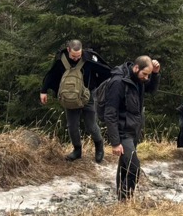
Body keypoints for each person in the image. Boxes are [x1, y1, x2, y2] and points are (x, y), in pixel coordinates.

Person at [102, 55, 161, 201]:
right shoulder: (118, 83)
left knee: (125, 165)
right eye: (145, 74)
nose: (146, 78)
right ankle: (126, 199)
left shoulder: (137, 79)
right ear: (136, 68)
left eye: (148, 75)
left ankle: (122, 199)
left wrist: (155, 74)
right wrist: (115, 142)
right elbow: (110, 114)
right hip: (123, 132)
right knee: (134, 167)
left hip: (133, 129)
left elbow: (151, 89)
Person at [40, 38, 110, 162]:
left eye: (79, 55)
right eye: (73, 56)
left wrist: (97, 86)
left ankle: (99, 148)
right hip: (70, 97)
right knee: (72, 126)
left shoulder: (89, 58)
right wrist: (43, 91)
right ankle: (77, 150)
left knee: (91, 125)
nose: (76, 58)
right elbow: (52, 74)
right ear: (68, 50)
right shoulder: (61, 60)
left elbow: (106, 71)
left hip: (88, 96)